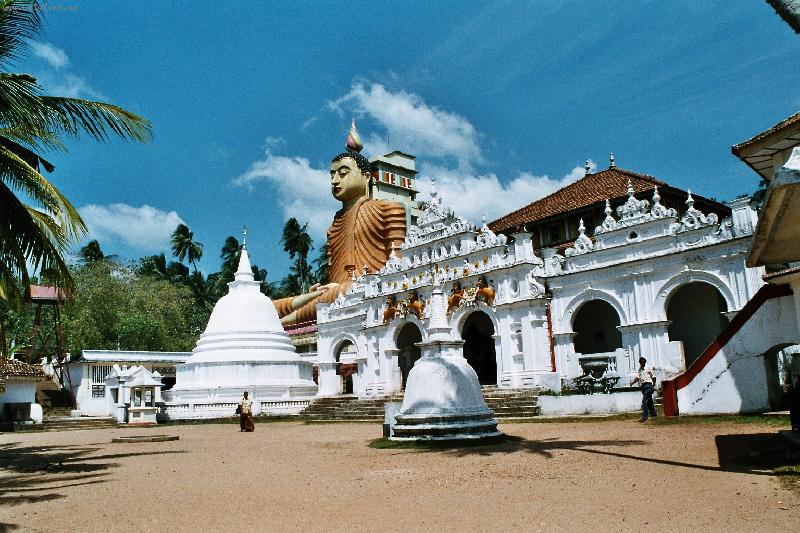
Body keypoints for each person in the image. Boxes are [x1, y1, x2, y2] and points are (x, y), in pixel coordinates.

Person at [273, 119, 407, 324]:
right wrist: (322, 290)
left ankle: (280, 323)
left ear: (366, 177)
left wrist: (337, 289)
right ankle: (284, 315)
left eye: (343, 174)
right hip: (334, 293)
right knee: (272, 304)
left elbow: (397, 266)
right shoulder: (334, 224)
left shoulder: (389, 208)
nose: (335, 180)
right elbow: (333, 276)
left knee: (334, 295)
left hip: (372, 287)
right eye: (332, 175)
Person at [630, 357, 657, 422]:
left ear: (645, 362)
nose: (642, 363)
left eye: (643, 362)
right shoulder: (639, 370)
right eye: (641, 362)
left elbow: (653, 377)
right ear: (639, 363)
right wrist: (632, 382)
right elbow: (637, 378)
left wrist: (653, 385)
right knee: (649, 401)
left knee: (644, 402)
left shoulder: (648, 368)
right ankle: (654, 415)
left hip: (648, 385)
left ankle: (645, 417)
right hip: (643, 386)